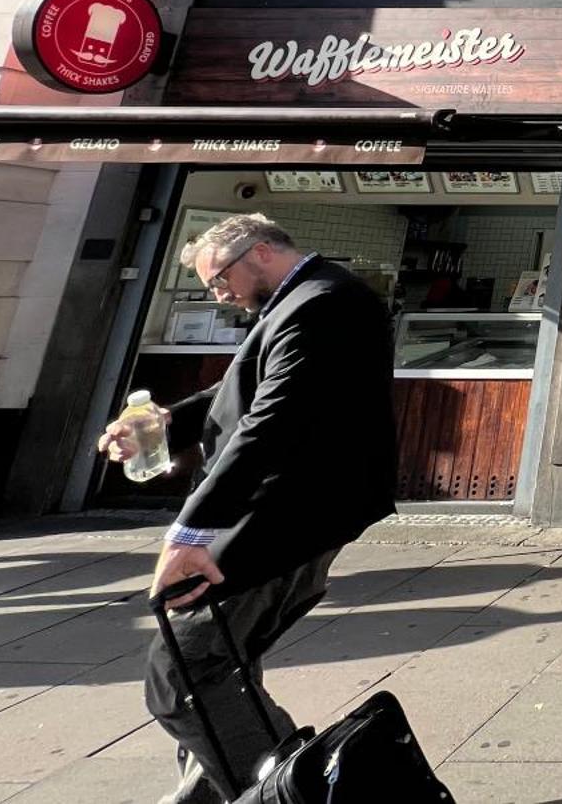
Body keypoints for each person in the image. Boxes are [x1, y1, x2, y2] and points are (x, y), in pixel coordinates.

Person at [99, 214, 398, 803]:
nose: (219, 295)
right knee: (217, 666)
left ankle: (297, 794)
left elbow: (272, 423)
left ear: (260, 252)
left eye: (219, 280)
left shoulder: (324, 302)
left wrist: (190, 533)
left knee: (184, 673)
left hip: (280, 518)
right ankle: (216, 792)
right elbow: (239, 392)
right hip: (276, 515)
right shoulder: (299, 300)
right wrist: (167, 423)